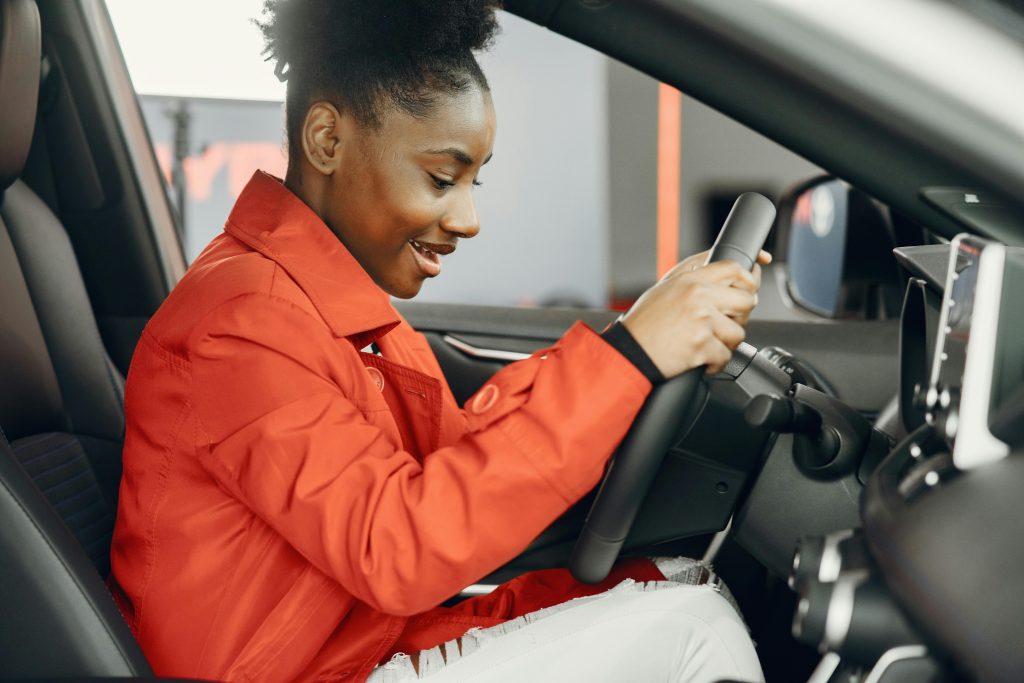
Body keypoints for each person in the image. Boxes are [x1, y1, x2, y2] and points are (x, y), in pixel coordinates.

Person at [109, 1, 769, 681]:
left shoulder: (332, 311)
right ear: (327, 141)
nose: (468, 218)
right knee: (690, 630)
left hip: (358, 649)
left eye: (472, 182)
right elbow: (400, 546)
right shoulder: (241, 323)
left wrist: (633, 347)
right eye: (441, 179)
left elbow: (460, 461)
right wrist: (629, 358)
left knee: (677, 579)